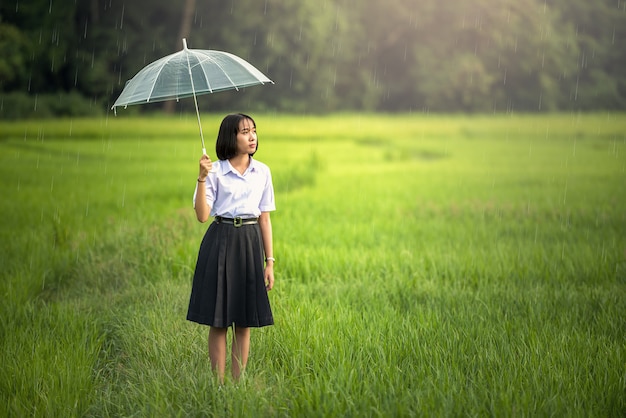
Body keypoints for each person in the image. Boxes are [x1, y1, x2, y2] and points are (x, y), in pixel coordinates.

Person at [187, 113, 275, 384]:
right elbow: (202, 215)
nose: (252, 137)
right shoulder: (214, 171)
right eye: (244, 132)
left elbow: (264, 218)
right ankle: (218, 385)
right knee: (219, 320)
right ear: (230, 137)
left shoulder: (262, 171)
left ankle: (237, 385)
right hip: (221, 240)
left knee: (244, 320)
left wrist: (269, 261)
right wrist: (202, 178)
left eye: (254, 130)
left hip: (250, 242)